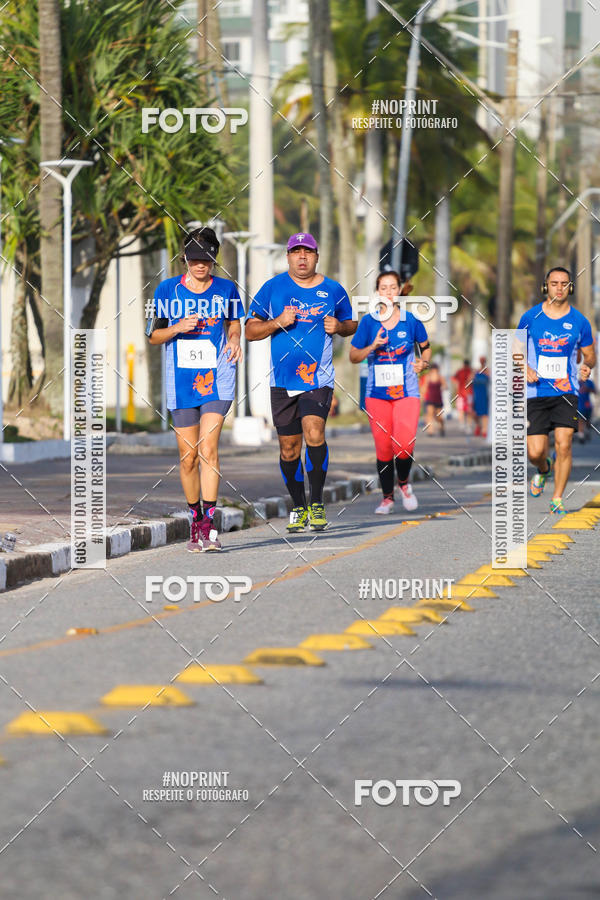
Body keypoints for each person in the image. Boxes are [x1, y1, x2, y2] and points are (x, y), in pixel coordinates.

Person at [245, 232, 356, 532]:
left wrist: (341, 326)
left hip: (317, 378)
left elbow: (351, 324)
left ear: (317, 256)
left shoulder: (333, 290)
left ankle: (317, 503)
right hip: (282, 381)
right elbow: (250, 330)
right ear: (288, 256)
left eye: (308, 252)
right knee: (289, 449)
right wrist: (276, 321)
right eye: (296, 252)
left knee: (314, 432)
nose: (302, 257)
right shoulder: (273, 288)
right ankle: (299, 506)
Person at [146, 227, 243, 550]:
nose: (200, 265)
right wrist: (177, 328)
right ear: (184, 257)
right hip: (181, 381)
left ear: (215, 259)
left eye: (207, 259)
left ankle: (210, 524)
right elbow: (153, 336)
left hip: (218, 377)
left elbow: (234, 321)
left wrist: (234, 339)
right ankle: (195, 520)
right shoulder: (167, 290)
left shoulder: (227, 289)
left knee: (208, 449)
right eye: (195, 259)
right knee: (187, 458)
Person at [349, 270, 431, 514]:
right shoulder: (368, 322)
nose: (388, 292)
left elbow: (425, 348)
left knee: (404, 445)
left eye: (392, 288)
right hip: (377, 395)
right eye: (383, 288)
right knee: (384, 447)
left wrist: (422, 363)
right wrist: (372, 346)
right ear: (377, 292)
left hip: (407, 392)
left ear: (398, 292)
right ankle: (387, 498)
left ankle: (404, 484)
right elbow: (353, 356)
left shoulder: (411, 321)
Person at [517, 266, 596, 515]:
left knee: (564, 444)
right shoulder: (530, 317)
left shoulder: (579, 321)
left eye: (564, 284)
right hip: (535, 391)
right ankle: (543, 468)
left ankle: (558, 498)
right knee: (535, 451)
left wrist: (587, 367)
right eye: (554, 283)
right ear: (546, 286)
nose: (559, 288)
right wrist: (524, 366)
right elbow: (515, 347)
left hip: (566, 390)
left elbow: (590, 355)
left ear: (570, 287)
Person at [423, 363, 446, 436]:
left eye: (436, 371)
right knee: (430, 414)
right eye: (433, 371)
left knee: (439, 417)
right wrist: (422, 394)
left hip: (438, 399)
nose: (434, 372)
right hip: (430, 399)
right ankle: (430, 430)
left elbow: (445, 385)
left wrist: (444, 387)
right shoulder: (428, 377)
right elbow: (425, 387)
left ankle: (441, 427)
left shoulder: (440, 377)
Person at [452, 359, 473, 430]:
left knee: (463, 410)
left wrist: (456, 386)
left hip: (463, 393)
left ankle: (464, 424)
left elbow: (454, 379)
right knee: (467, 410)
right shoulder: (470, 371)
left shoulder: (461, 371)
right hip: (467, 393)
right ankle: (467, 425)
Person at [472, 355, 490, 437]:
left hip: (485, 394)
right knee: (474, 413)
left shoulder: (488, 371)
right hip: (476, 394)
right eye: (481, 360)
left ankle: (484, 429)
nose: (482, 361)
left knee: (485, 413)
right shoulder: (476, 371)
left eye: (483, 360)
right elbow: (469, 381)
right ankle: (479, 426)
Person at [576, 372, 595, 443]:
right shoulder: (577, 383)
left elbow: (595, 391)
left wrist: (588, 389)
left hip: (587, 405)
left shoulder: (590, 382)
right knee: (580, 421)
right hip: (579, 405)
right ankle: (581, 436)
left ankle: (586, 431)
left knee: (587, 421)